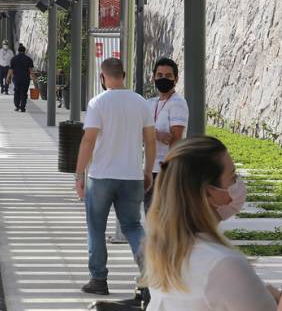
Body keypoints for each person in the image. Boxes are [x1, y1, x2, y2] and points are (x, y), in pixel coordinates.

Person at [145, 136, 282, 311]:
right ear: (209, 193)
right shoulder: (224, 264)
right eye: (232, 177)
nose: (238, 184)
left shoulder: (163, 251)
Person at [74, 57, 156, 296]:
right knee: (133, 226)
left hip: (101, 177)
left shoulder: (98, 103)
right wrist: (148, 171)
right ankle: (149, 274)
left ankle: (98, 279)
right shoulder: (141, 102)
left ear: (102, 76)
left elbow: (88, 140)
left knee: (96, 228)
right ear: (124, 74)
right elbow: (150, 141)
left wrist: (79, 175)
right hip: (132, 176)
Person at [145, 57, 189, 213]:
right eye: (159, 75)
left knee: (161, 217)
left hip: (165, 169)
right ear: (154, 77)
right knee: (151, 217)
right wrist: (157, 134)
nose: (163, 79)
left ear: (176, 79)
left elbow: (175, 138)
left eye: (168, 76)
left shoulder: (177, 103)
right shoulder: (150, 103)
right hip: (150, 168)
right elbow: (138, 130)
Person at [6, 45, 36, 112]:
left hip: (16, 79)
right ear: (24, 51)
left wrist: (8, 78)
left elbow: (10, 70)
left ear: (18, 51)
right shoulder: (28, 59)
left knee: (17, 92)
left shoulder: (13, 59)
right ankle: (22, 107)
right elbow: (31, 70)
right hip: (25, 79)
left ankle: (17, 106)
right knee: (24, 93)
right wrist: (34, 79)